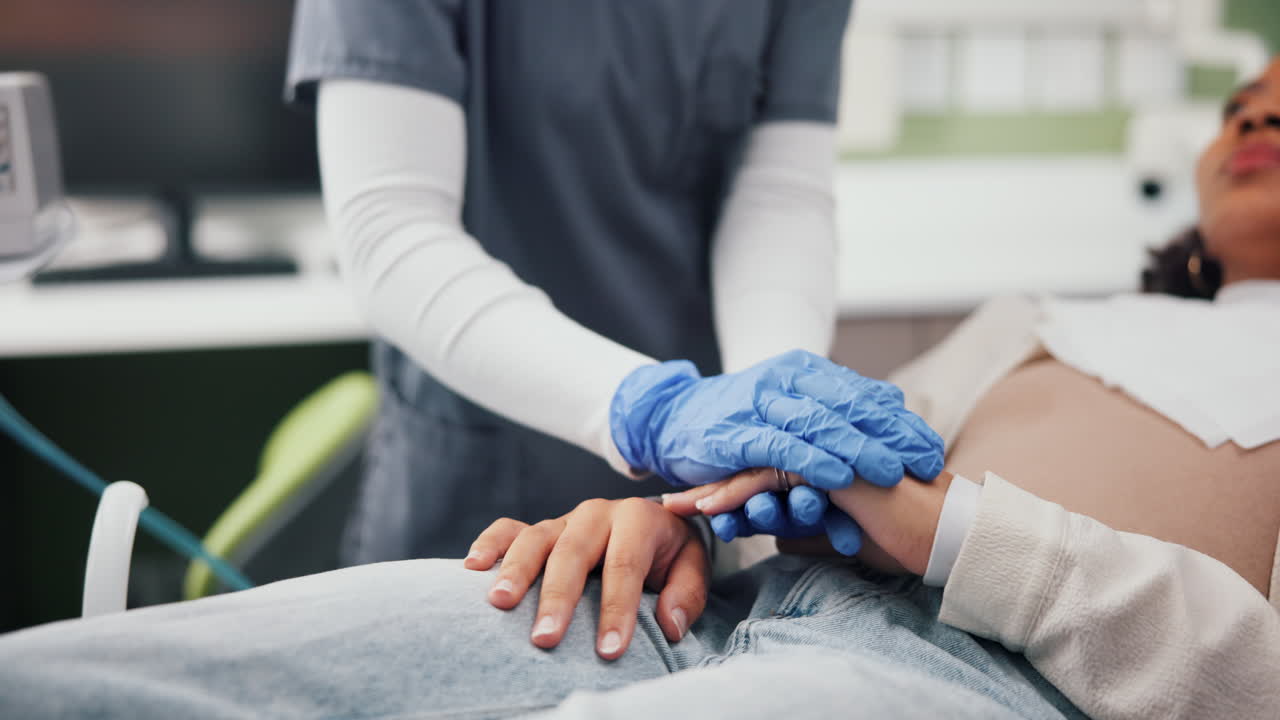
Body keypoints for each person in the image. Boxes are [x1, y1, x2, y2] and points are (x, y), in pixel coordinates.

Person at [4, 54, 1280, 720]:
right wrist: (681, 516)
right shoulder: (1043, 321)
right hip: (718, 613)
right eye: (1236, 104)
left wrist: (955, 532)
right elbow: (837, 472)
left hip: (990, 686)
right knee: (114, 677)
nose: (1250, 117)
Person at [286, 0, 944, 565]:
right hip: (480, 474)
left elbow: (777, 192)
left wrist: (770, 413)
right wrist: (655, 411)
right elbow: (390, 230)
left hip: (690, 499)